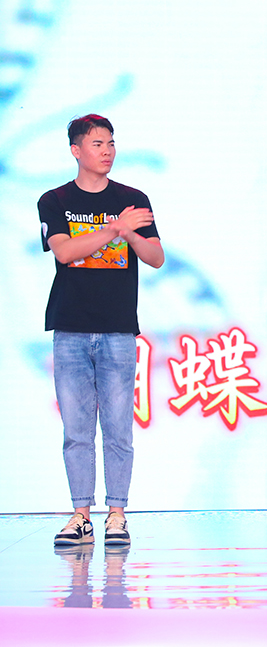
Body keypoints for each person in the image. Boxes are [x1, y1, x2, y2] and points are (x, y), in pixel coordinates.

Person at [38, 114, 164, 548]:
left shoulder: (132, 199)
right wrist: (113, 229)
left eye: (111, 143)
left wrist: (130, 235)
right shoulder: (55, 200)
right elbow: (65, 252)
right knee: (76, 431)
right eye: (97, 144)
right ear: (76, 150)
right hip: (71, 327)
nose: (107, 151)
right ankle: (80, 515)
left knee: (118, 429)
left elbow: (155, 257)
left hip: (117, 329)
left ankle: (117, 514)